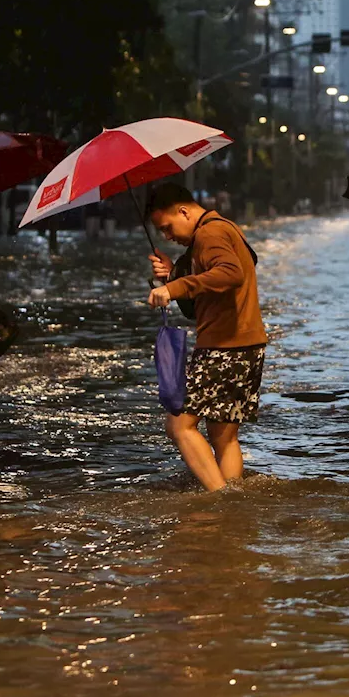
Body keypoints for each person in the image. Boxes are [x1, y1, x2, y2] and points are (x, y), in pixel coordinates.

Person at [146, 183, 267, 491]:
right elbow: (205, 301)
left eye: (167, 227)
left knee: (179, 426)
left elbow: (230, 273)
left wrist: (171, 288)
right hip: (245, 345)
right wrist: (174, 274)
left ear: (184, 211)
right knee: (223, 437)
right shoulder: (224, 228)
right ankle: (234, 501)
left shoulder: (209, 234)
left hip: (223, 347)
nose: (167, 236)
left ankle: (221, 500)